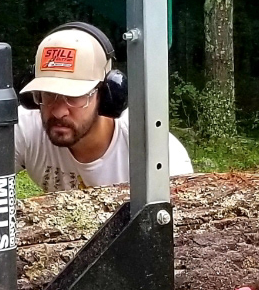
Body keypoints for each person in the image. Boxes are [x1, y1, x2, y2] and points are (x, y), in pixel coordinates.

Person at [15, 23, 193, 193]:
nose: (58, 111)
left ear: (107, 95)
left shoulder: (158, 153)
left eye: (74, 97)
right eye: (48, 95)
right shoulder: (25, 128)